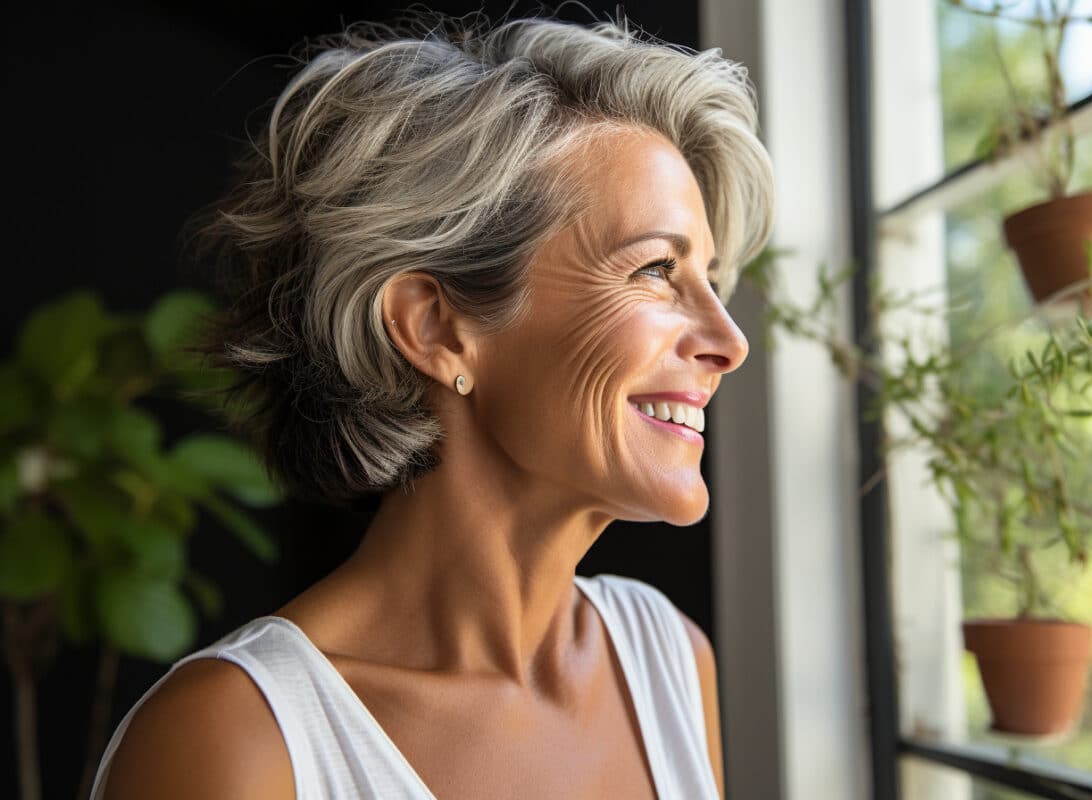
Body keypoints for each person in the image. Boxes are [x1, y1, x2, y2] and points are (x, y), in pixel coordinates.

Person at [90, 10, 773, 799]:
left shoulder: (668, 661)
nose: (728, 341)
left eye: (709, 279)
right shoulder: (239, 740)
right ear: (436, 327)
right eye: (655, 269)